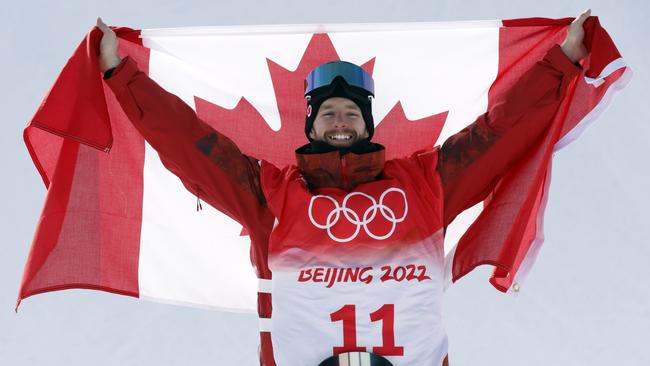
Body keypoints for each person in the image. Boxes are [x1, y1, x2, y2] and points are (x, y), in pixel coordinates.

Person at [96, 9, 590, 366]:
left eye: (352, 113)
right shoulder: (272, 195)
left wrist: (562, 61)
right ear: (310, 127)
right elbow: (192, 145)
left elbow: (498, 134)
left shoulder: (424, 184)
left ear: (368, 125)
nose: (340, 121)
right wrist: (122, 75)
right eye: (328, 113)